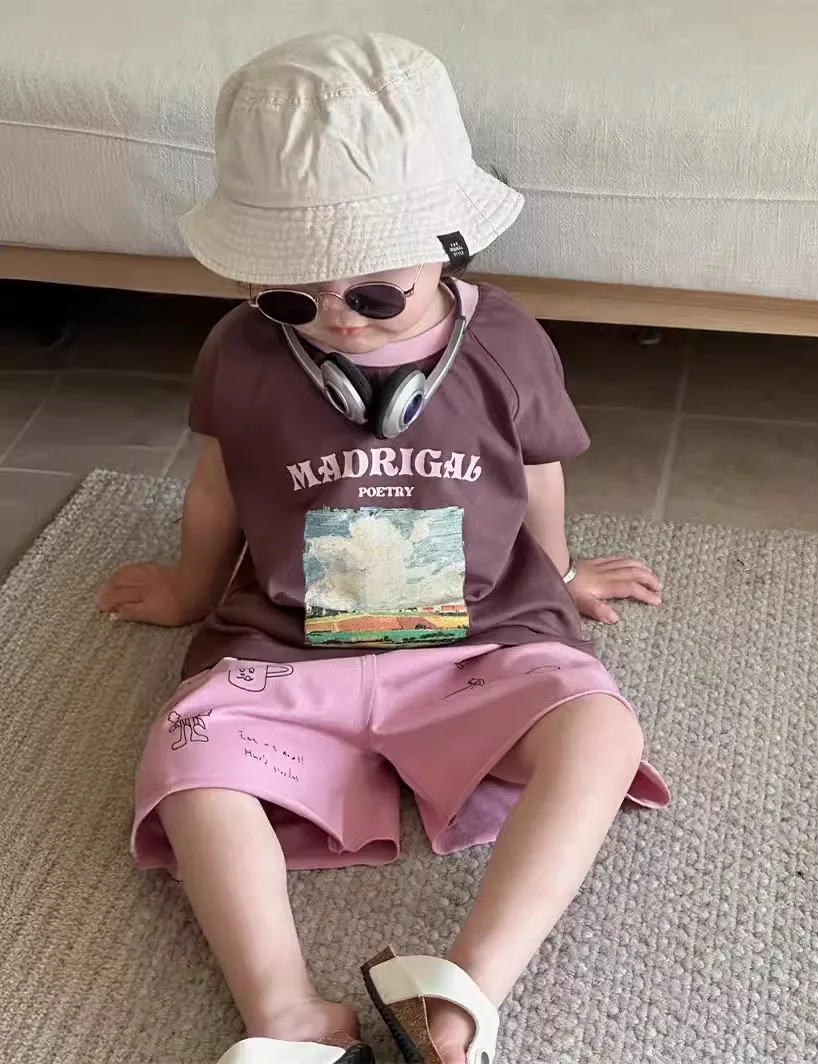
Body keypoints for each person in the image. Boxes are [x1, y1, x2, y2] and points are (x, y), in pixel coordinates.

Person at [98, 31, 670, 1064]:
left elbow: (537, 469)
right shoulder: (239, 351)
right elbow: (219, 481)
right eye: (293, 298)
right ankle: (285, 1013)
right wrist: (190, 588)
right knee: (189, 764)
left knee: (600, 732)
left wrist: (557, 572)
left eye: (373, 294)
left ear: (446, 247)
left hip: (480, 641)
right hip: (289, 651)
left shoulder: (506, 343)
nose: (338, 322)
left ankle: (461, 997)